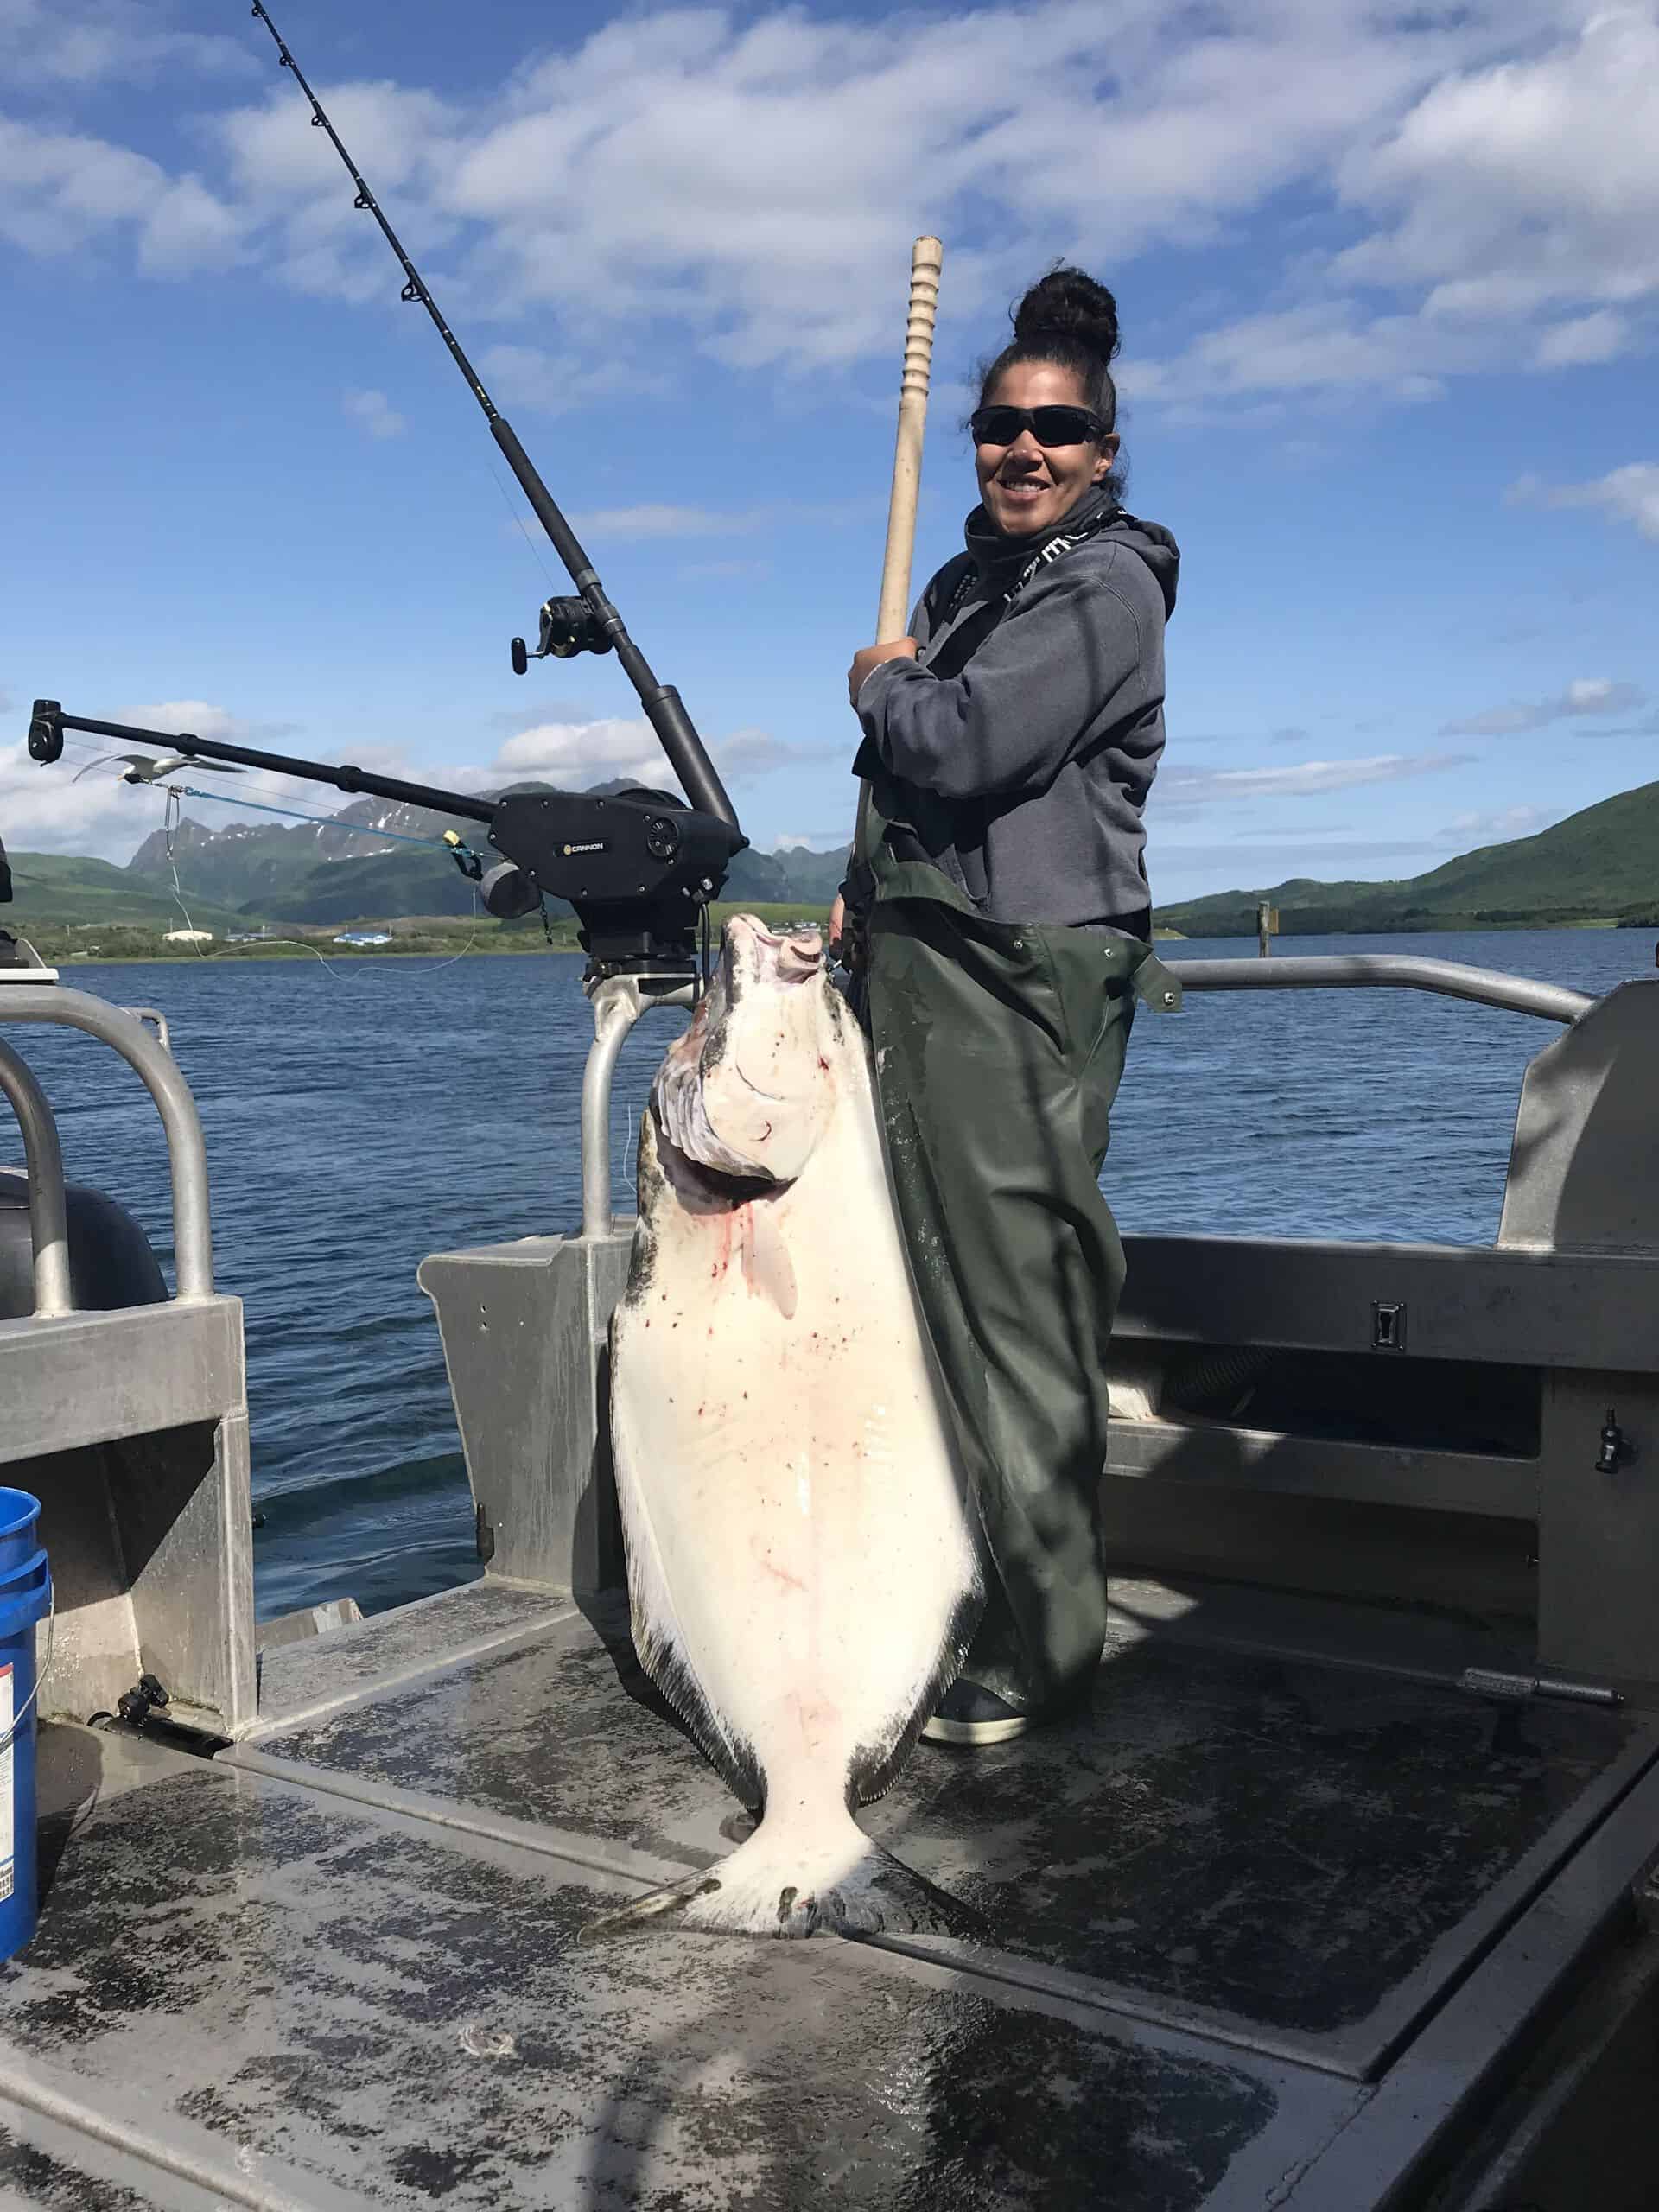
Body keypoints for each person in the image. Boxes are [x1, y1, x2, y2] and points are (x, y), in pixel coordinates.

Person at [832, 266, 1180, 1747]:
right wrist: (858, 890)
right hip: (915, 961)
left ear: (1104, 450)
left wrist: (878, 684)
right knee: (921, 1303)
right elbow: (910, 788)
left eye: (1057, 430)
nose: (1022, 450)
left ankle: (1047, 1648)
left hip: (1018, 978)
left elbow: (965, 744)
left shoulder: (1109, 587)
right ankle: (952, 1595)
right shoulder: (967, 585)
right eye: (998, 425)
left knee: (1018, 1313)